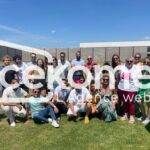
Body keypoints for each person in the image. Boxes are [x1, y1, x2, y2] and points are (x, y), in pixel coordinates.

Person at [117, 57, 141, 124]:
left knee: (130, 102)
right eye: (128, 61)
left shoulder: (137, 68)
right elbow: (119, 77)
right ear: (125, 61)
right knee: (124, 102)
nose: (129, 62)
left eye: (131, 61)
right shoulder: (121, 67)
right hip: (122, 87)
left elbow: (139, 78)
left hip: (132, 88)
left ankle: (132, 116)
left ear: (133, 61)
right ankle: (125, 114)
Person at [137, 57, 150, 125]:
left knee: (148, 103)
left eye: (148, 62)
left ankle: (148, 118)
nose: (146, 63)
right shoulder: (142, 70)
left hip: (148, 88)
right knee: (139, 102)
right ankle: (143, 115)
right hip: (141, 88)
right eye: (145, 62)